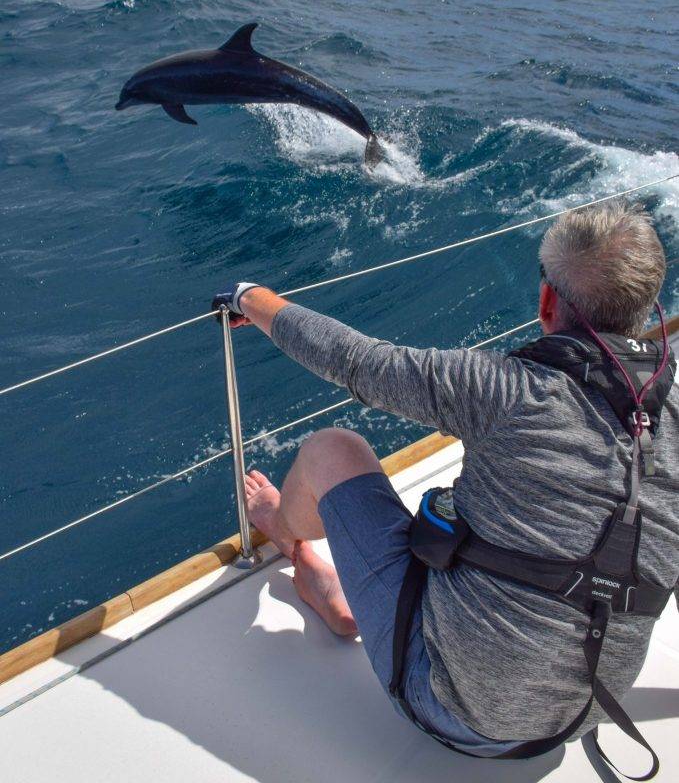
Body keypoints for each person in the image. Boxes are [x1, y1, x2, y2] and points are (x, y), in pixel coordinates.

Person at [212, 201, 679, 759]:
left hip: (452, 709)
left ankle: (284, 531)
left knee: (332, 450)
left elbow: (356, 361)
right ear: (648, 304)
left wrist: (249, 297)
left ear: (547, 299)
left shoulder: (507, 391)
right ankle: (339, 590)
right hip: (580, 722)